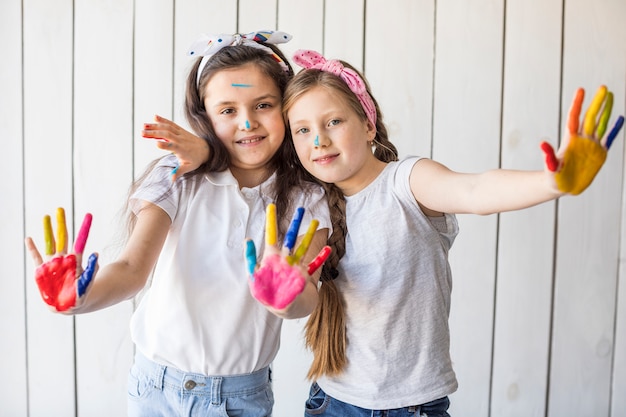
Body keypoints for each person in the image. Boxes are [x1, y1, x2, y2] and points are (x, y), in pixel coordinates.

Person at [138, 50, 624, 415]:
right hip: (330, 402)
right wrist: (280, 297)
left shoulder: (407, 182)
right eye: (302, 130)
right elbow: (300, 296)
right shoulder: (307, 203)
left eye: (333, 122)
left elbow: (474, 190)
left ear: (368, 124)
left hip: (414, 405)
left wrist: (552, 182)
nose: (319, 139)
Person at [24, 32, 331, 417]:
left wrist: (286, 299)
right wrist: (78, 299)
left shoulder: (308, 199)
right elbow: (132, 270)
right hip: (156, 389)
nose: (247, 122)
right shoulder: (176, 175)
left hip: (241, 398)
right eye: (227, 110)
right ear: (203, 117)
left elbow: (308, 298)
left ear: (286, 107)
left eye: (263, 105)